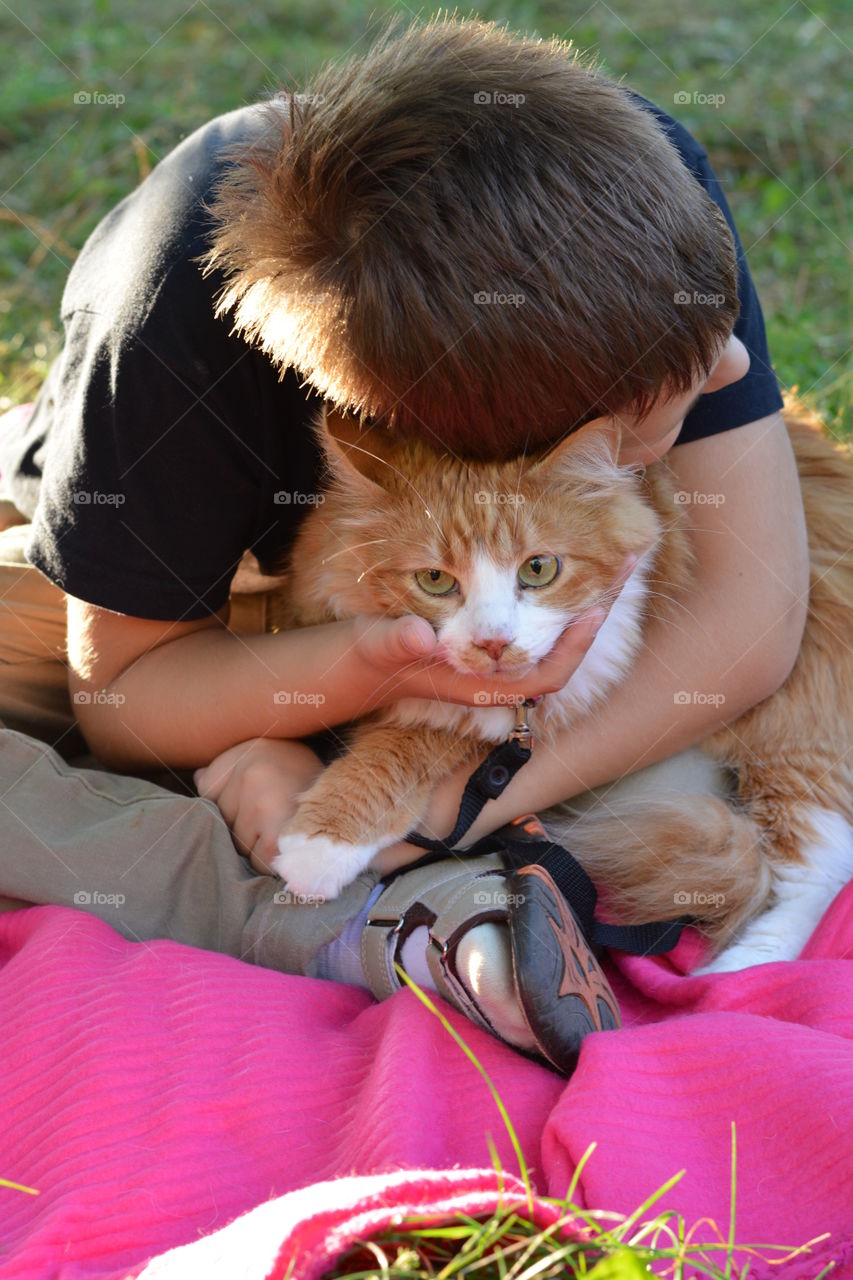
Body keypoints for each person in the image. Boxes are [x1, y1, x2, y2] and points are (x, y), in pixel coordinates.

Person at [0, 18, 808, 1073]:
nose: (733, 364)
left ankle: (406, 872)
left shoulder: (636, 201)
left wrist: (450, 803)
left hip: (461, 612)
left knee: (684, 804)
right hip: (191, 586)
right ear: (465, 451)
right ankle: (393, 916)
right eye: (662, 406)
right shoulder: (165, 327)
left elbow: (753, 615)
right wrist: (353, 671)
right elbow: (125, 697)